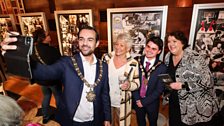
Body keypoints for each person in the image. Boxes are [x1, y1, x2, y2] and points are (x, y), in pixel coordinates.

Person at [1, 26, 111, 126]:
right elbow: (44, 72)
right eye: (81, 39)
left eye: (90, 40)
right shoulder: (67, 63)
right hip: (72, 121)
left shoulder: (104, 66)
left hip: (96, 120)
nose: (85, 43)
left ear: (97, 43)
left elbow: (105, 94)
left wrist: (107, 118)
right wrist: (17, 55)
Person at [164, 31, 219, 126]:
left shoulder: (195, 57)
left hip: (195, 105)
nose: (171, 44)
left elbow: (207, 81)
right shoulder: (168, 56)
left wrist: (183, 85)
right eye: (169, 41)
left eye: (174, 41)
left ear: (182, 43)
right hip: (175, 101)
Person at [101, 33, 140, 126]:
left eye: (122, 45)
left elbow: (137, 84)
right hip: (106, 101)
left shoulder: (133, 63)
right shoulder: (106, 58)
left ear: (128, 48)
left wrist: (129, 85)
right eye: (116, 44)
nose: (118, 47)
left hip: (122, 103)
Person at [132, 37, 167, 126]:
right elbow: (132, 81)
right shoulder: (136, 61)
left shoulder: (162, 67)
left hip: (152, 102)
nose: (149, 50)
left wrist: (144, 102)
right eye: (148, 46)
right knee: (140, 122)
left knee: (152, 122)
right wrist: (137, 99)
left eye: (154, 48)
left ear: (159, 51)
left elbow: (159, 90)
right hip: (137, 100)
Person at [31, 28, 62, 124]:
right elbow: (60, 65)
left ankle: (45, 117)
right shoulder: (52, 50)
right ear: (43, 38)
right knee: (58, 97)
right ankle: (62, 116)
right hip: (53, 80)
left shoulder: (32, 49)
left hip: (41, 80)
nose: (50, 36)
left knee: (46, 96)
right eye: (48, 35)